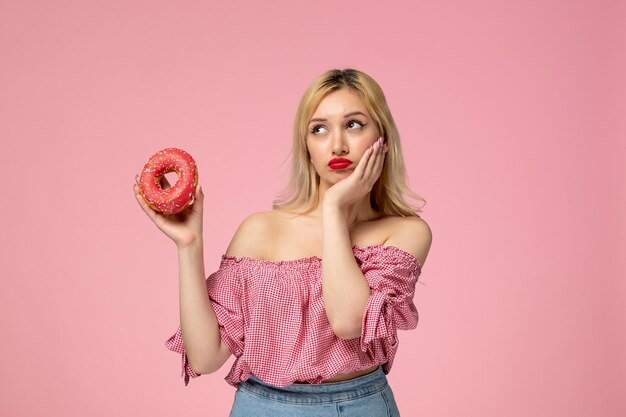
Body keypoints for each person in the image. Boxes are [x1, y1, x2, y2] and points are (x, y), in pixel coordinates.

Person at [133, 68, 432, 416]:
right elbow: (206, 356)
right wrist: (189, 246)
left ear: (382, 136)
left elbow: (349, 321)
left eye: (354, 124)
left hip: (357, 406)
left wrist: (334, 208)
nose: (337, 144)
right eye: (318, 129)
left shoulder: (405, 232)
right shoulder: (261, 229)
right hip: (259, 406)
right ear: (306, 146)